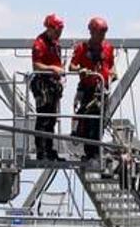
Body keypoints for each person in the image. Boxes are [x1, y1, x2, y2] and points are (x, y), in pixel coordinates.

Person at [69, 17, 116, 163]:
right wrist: (81, 70)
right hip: (87, 90)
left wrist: (112, 75)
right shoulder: (81, 48)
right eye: (99, 32)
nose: (102, 36)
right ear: (92, 32)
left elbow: (111, 66)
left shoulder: (108, 48)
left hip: (102, 91)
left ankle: (94, 153)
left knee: (99, 122)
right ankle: (90, 153)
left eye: (104, 32)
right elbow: (72, 66)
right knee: (88, 121)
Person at [31, 13, 66, 162]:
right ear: (50, 28)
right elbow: (36, 65)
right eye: (57, 30)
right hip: (42, 83)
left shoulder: (56, 44)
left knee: (51, 119)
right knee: (44, 118)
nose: (59, 33)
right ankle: (42, 151)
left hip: (53, 84)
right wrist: (52, 68)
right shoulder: (40, 43)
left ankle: (49, 149)